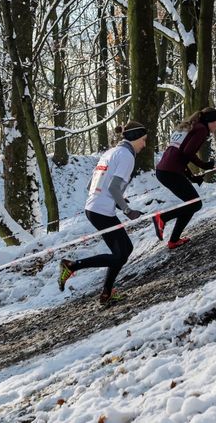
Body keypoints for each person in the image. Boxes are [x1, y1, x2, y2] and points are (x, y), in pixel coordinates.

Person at [58, 121, 147, 306]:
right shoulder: (127, 156)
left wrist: (116, 198)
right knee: (120, 254)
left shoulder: (110, 152)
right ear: (135, 138)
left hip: (93, 208)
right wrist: (127, 210)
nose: (144, 145)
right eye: (143, 140)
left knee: (123, 251)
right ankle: (72, 266)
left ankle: (107, 293)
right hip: (101, 211)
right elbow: (114, 187)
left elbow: (91, 185)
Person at [153, 107, 216, 249]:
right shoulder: (201, 129)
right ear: (209, 121)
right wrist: (204, 165)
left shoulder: (190, 127)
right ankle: (162, 218)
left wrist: (191, 177)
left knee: (191, 204)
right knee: (195, 204)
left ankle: (174, 240)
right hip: (170, 172)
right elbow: (187, 152)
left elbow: (180, 155)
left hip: (165, 171)